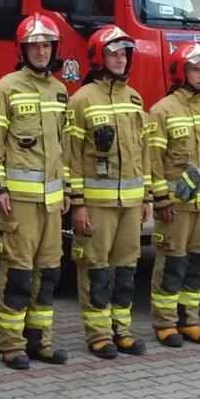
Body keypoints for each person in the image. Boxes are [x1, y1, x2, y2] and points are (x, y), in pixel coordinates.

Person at [0, 13, 73, 369]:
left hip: (52, 204)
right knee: (18, 274)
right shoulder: (5, 88)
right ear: (22, 49)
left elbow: (63, 147)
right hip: (17, 204)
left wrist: (65, 189)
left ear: (54, 50)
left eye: (46, 45)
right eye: (34, 46)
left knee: (48, 273)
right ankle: (11, 345)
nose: (40, 51)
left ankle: (40, 342)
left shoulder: (61, 91)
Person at [64, 25, 154, 358]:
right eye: (113, 53)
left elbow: (143, 151)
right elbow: (70, 155)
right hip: (97, 205)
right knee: (96, 269)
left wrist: (145, 196)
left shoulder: (134, 98)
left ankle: (123, 331)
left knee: (127, 270)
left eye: (124, 54)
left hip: (130, 203)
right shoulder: (81, 100)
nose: (120, 59)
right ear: (98, 58)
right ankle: (98, 335)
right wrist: (78, 204)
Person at [145, 42, 200, 347]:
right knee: (171, 263)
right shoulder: (162, 111)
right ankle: (165, 324)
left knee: (197, 264)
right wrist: (161, 199)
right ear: (181, 72)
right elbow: (153, 160)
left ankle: (189, 320)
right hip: (175, 208)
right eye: (195, 69)